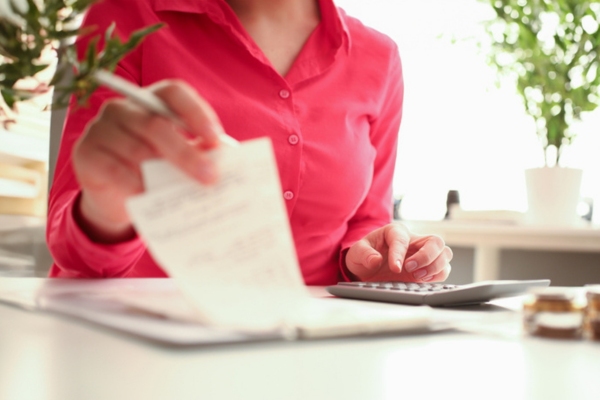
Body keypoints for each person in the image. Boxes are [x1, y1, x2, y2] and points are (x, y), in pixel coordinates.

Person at [47, 0, 453, 285]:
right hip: (143, 344)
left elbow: (368, 220)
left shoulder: (379, 58)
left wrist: (379, 260)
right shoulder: (125, 18)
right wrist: (106, 209)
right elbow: (75, 252)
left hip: (314, 343)